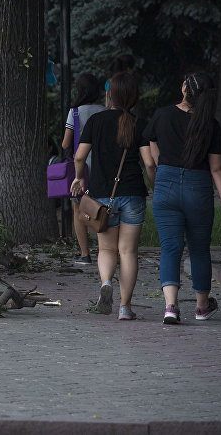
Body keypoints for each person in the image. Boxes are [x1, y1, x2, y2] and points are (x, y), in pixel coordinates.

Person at [144, 72, 221, 324]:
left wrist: (161, 175)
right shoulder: (211, 125)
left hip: (166, 184)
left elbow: (152, 152)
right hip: (199, 189)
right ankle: (202, 307)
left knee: (170, 249)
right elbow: (217, 168)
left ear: (184, 88)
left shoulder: (162, 115)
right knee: (199, 250)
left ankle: (171, 307)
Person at [70, 72, 155, 320]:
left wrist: (79, 178)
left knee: (106, 250)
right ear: (133, 96)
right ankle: (125, 308)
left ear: (110, 94)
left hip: (101, 197)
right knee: (128, 252)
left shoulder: (96, 121)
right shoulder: (138, 123)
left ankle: (106, 283)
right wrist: (154, 185)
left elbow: (79, 156)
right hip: (133, 194)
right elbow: (149, 163)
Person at [61, 74, 107, 264]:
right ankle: (107, 251)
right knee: (104, 207)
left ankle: (84, 254)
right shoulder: (106, 111)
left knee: (79, 209)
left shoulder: (76, 113)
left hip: (82, 170)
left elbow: (65, 144)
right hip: (104, 167)